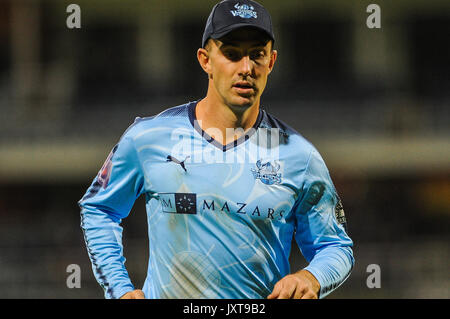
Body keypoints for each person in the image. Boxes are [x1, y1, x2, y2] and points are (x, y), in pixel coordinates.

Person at [79, 0, 354, 299]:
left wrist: (311, 277)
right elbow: (99, 209)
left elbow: (335, 247)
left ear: (271, 61)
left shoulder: (298, 155)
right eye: (232, 55)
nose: (246, 68)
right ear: (205, 59)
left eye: (257, 55)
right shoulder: (149, 137)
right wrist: (119, 289)